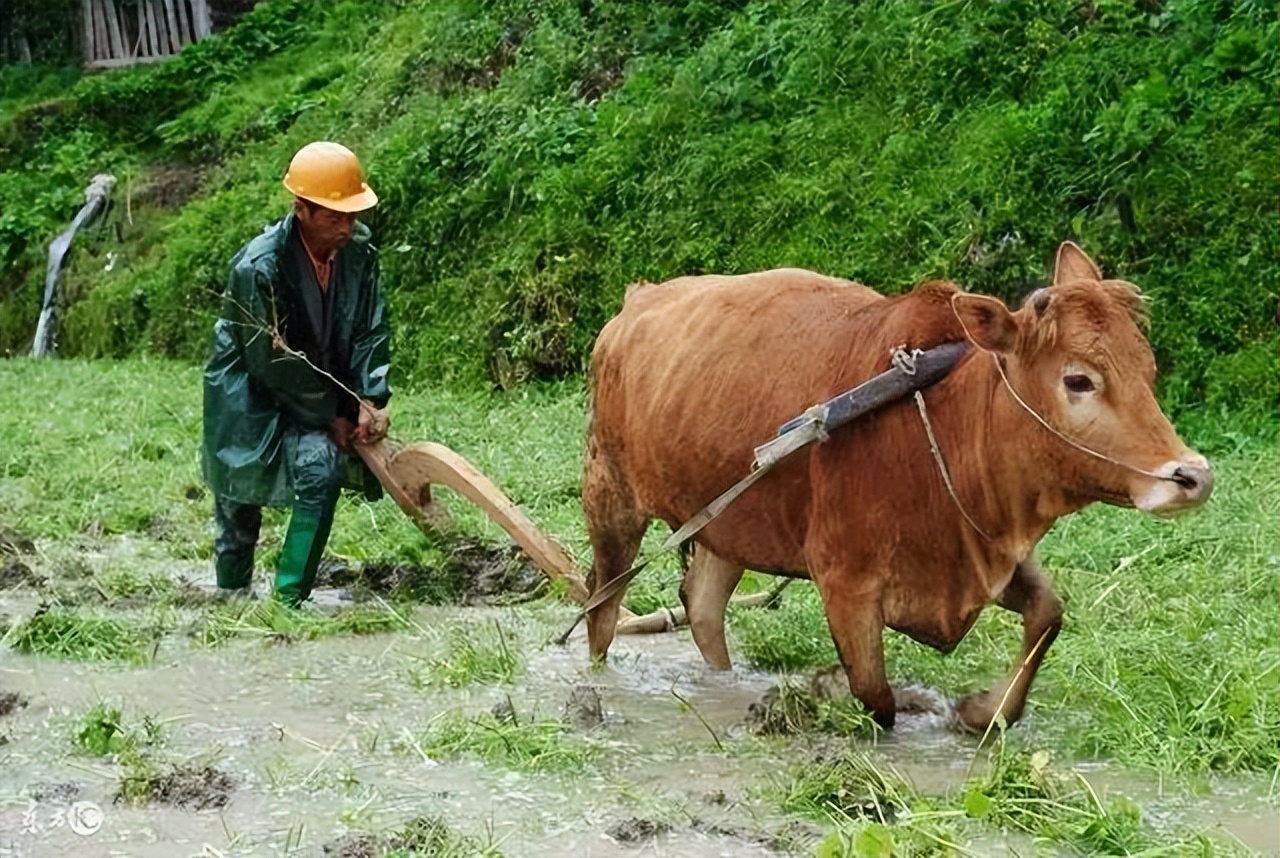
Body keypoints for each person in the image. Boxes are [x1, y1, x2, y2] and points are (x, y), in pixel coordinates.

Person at [200, 141, 391, 607]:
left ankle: (289, 599)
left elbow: (370, 327)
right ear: (301, 209)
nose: (346, 226)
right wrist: (331, 414)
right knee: (237, 494)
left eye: (352, 215)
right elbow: (271, 359)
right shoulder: (259, 266)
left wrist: (370, 397)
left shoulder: (359, 254)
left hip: (320, 388)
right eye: (334, 216)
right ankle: (230, 595)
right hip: (248, 393)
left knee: (321, 471)